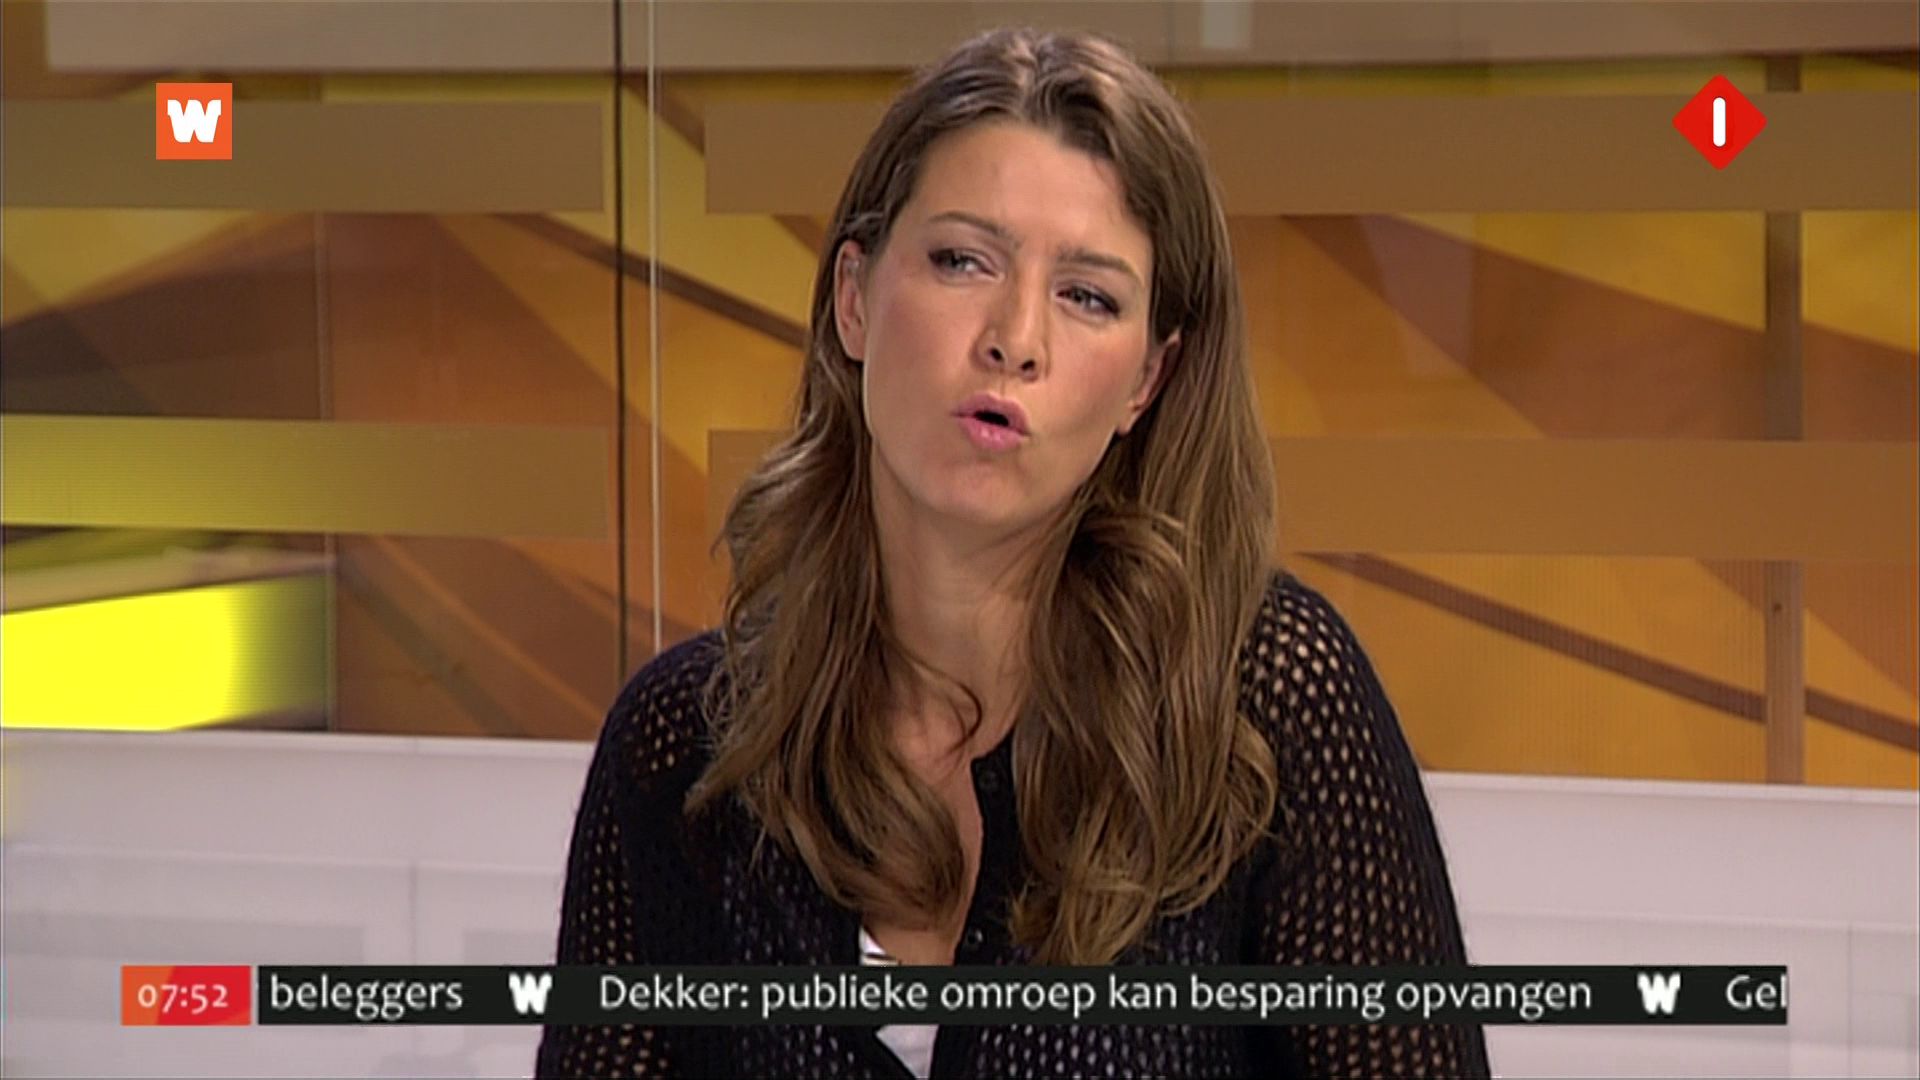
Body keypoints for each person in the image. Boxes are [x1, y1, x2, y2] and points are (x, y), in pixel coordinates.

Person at [536, 26, 1490, 1079]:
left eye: (1088, 295)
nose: (1015, 338)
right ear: (854, 299)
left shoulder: (1262, 702)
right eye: (962, 260)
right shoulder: (683, 748)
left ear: (1147, 381)